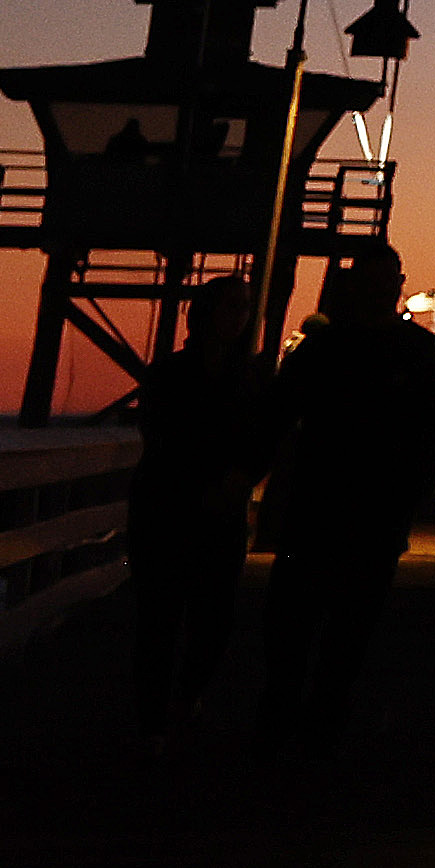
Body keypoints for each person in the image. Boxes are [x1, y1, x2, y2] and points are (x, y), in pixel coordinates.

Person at [256, 248, 435, 756]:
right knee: (329, 630)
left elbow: (275, 419)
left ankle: (293, 728)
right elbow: (432, 435)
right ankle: (311, 728)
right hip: (346, 511)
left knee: (312, 628)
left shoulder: (325, 349)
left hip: (338, 509)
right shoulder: (419, 352)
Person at [124, 299, 264, 738]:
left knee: (213, 619)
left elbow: (264, 436)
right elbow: (160, 433)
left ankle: (183, 698)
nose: (236, 322)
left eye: (241, 315)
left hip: (210, 509)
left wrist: (244, 476)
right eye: (228, 311)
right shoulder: (170, 373)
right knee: (160, 618)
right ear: (201, 318)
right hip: (170, 508)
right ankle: (155, 715)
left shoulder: (251, 377)